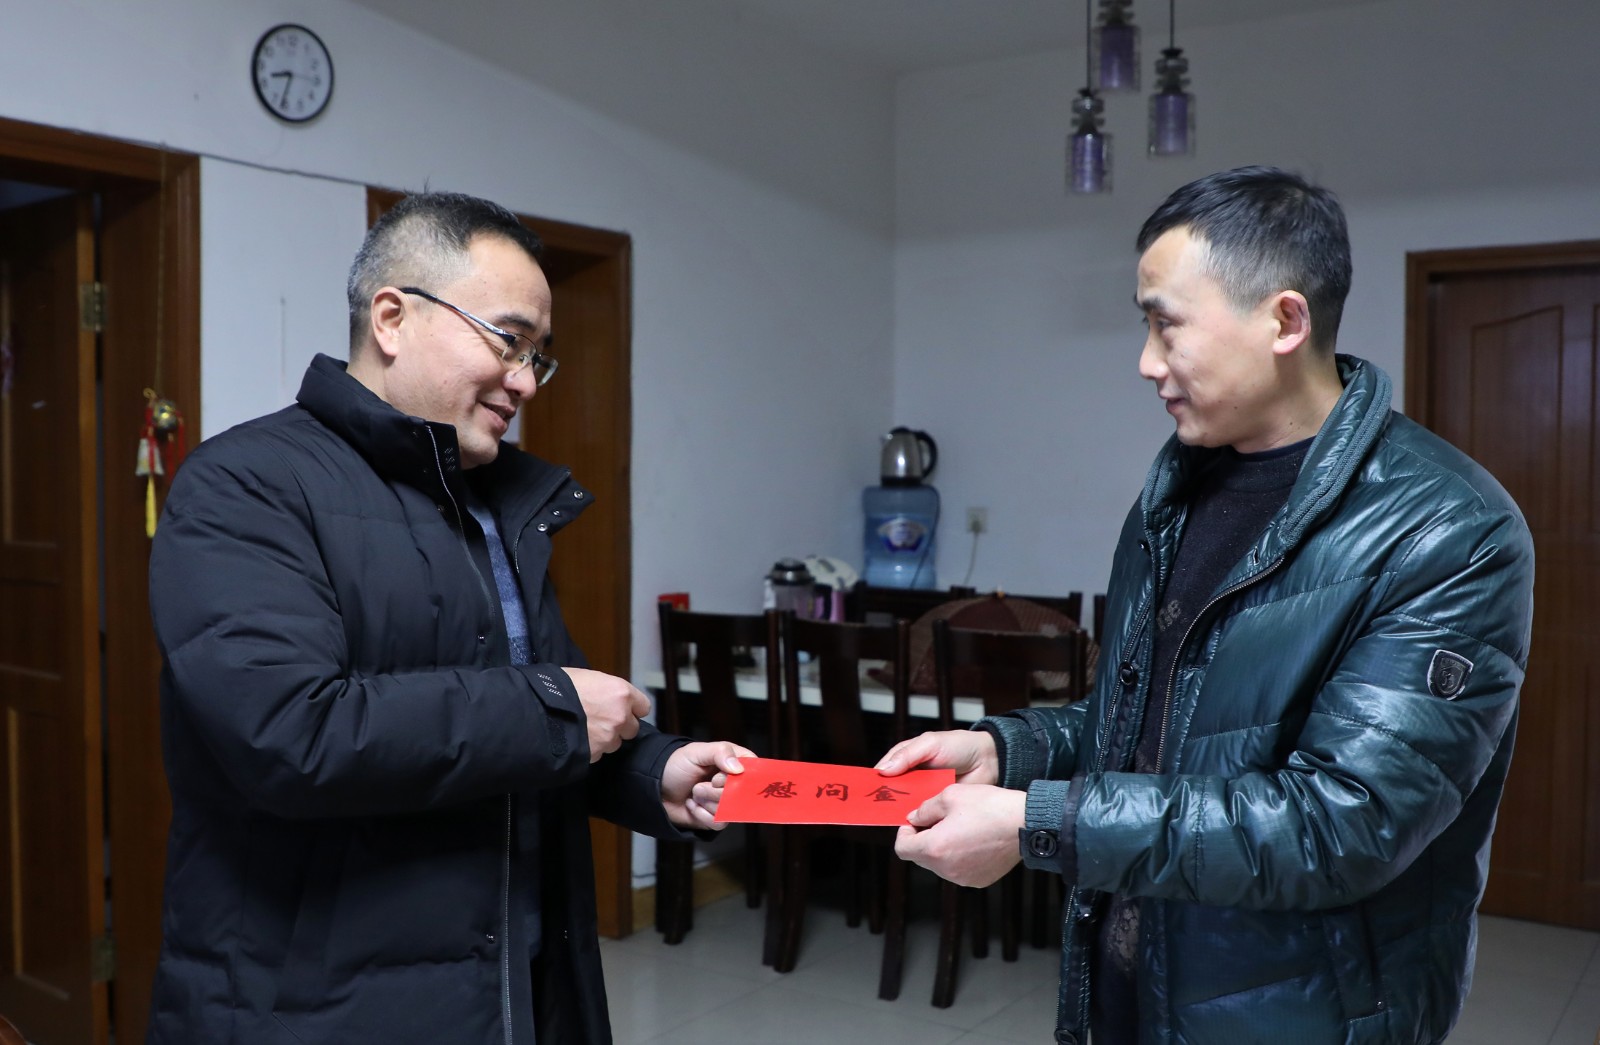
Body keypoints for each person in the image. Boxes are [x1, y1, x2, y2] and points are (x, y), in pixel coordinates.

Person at [878, 166, 1534, 1045]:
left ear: (1285, 321)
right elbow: (1154, 724)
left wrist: (1043, 823)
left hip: (1298, 1017)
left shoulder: (1450, 528)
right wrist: (1009, 751)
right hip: (1132, 987)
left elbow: (1343, 823)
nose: (1147, 361)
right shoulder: (1177, 491)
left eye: (1167, 324)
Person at [145, 191, 751, 1043]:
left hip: (514, 988)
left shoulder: (497, 504)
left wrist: (656, 769)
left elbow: (543, 727)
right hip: (318, 1009)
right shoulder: (243, 485)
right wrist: (555, 708)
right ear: (392, 318)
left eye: (537, 357)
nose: (524, 382)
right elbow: (290, 733)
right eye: (508, 341)